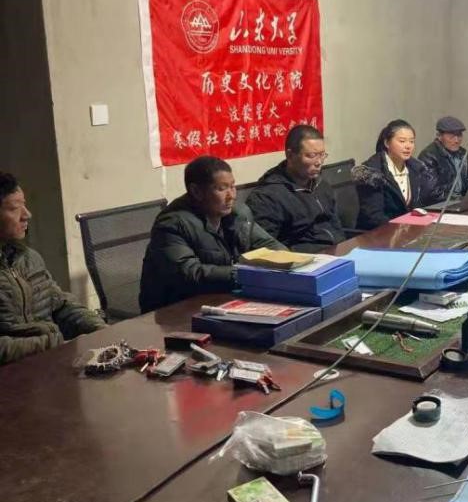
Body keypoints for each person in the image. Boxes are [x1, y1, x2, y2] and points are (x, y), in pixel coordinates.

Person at [139, 156, 284, 312]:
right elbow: (189, 274)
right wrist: (243, 274)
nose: (231, 196)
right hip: (174, 310)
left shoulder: (238, 213)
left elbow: (270, 246)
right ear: (196, 191)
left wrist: (288, 263)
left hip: (223, 298)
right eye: (221, 189)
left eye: (232, 186)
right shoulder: (173, 223)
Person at [0, 172, 106, 364]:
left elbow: (59, 305)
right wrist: (55, 344)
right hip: (15, 373)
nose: (27, 214)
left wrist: (98, 329)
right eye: (15, 208)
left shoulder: (28, 258)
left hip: (49, 362)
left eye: (24, 205)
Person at [246, 125, 344, 252]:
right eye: (312, 155)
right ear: (290, 155)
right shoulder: (267, 196)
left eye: (322, 155)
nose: (319, 162)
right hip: (304, 258)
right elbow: (265, 249)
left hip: (335, 252)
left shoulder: (321, 184)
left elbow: (336, 226)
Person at [353, 119, 438, 230]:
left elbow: (422, 203)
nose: (408, 146)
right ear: (387, 143)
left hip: (407, 230)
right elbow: (373, 217)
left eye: (411, 141)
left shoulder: (416, 168)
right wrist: (400, 230)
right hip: (378, 233)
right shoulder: (372, 172)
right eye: (402, 141)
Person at [417, 116, 468, 202]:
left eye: (459, 135)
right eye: (451, 136)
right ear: (439, 136)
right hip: (439, 205)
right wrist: (458, 199)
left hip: (460, 201)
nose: (456, 140)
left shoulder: (462, 153)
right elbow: (431, 193)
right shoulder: (428, 156)